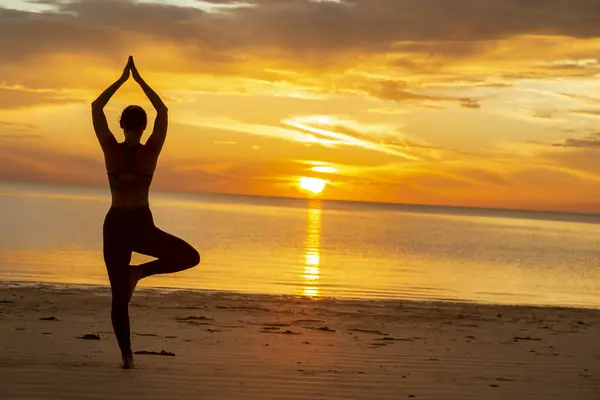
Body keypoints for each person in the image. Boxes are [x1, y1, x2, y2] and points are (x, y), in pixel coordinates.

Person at [91, 56, 200, 369]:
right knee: (189, 257)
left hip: (116, 224)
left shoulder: (111, 149)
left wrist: (122, 80)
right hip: (138, 223)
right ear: (144, 126)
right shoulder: (150, 152)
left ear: (122, 125)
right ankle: (138, 274)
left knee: (118, 295)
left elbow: (97, 109)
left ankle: (127, 355)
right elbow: (163, 111)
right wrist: (138, 80)